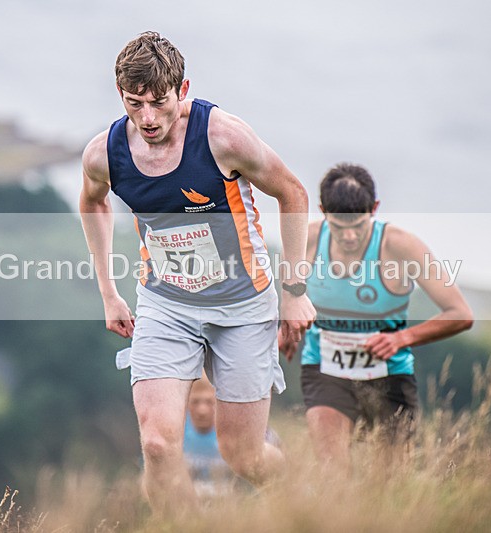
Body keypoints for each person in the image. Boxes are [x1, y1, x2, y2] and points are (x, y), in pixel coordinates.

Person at [79, 32, 315, 516]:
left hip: (243, 307)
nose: (147, 118)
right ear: (120, 96)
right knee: (160, 446)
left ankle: (312, 502)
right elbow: (92, 202)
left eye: (158, 103)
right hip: (166, 306)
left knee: (243, 454)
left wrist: (294, 292)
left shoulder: (223, 136)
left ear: (181, 90)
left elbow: (292, 193)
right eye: (134, 104)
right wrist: (108, 293)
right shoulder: (105, 154)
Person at [279, 163, 474, 469]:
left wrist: (401, 338)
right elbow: (290, 289)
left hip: (389, 375)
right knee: (333, 475)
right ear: (322, 210)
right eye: (339, 226)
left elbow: (461, 314)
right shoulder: (307, 239)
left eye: (359, 225)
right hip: (326, 368)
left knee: (390, 482)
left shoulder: (399, 245)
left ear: (375, 208)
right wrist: (287, 325)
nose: (350, 236)